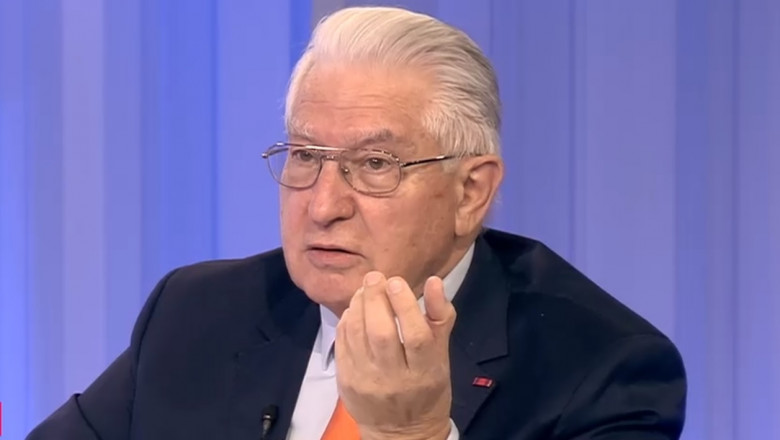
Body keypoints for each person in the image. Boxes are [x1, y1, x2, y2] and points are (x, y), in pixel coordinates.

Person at [28, 6, 686, 440]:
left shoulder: (602, 370)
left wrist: (414, 435)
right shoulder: (197, 313)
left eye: (375, 164)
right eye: (305, 156)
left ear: (471, 192)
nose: (323, 205)